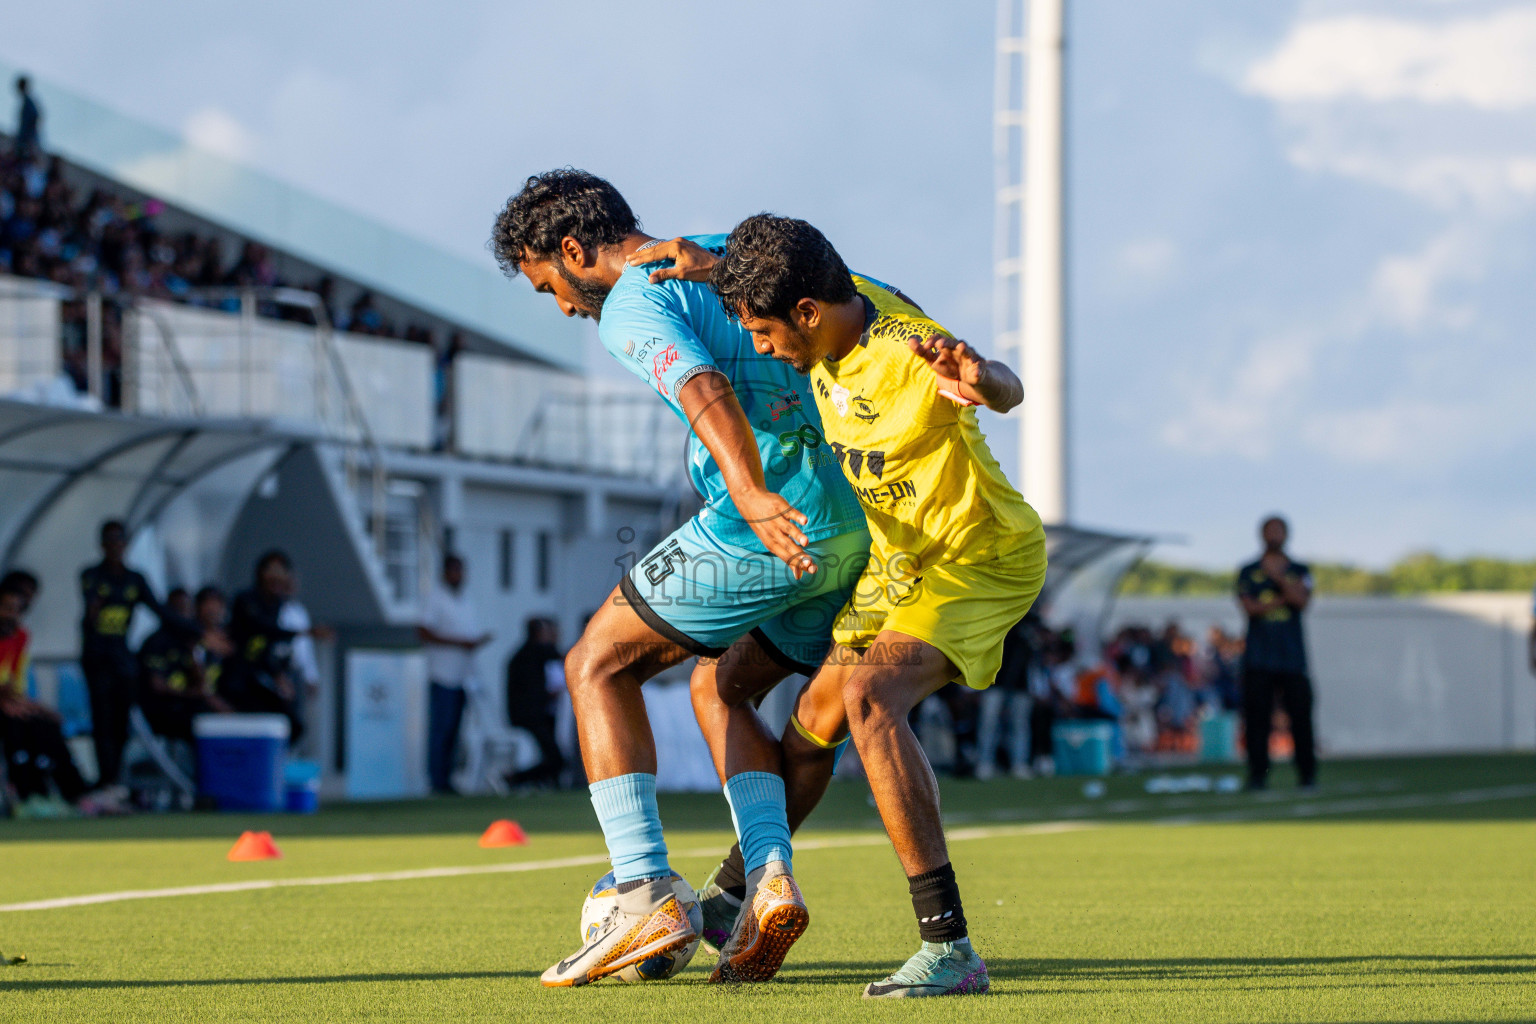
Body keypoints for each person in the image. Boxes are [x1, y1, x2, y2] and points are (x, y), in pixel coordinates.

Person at [492, 170, 871, 987]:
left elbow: (702, 384)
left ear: (570, 250)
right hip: (850, 525)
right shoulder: (727, 258)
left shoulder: (632, 299)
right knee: (721, 687)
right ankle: (761, 884)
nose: (560, 304)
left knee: (596, 663)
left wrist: (749, 492)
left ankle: (640, 895)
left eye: (549, 284)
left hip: (768, 521)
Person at [695, 214, 1046, 997]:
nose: (760, 347)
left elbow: (1008, 391)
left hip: (977, 561)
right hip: (896, 567)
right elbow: (776, 247)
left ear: (809, 315)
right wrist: (699, 257)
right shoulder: (846, 302)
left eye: (763, 331)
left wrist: (982, 377)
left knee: (868, 696)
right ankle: (729, 897)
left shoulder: (909, 353)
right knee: (812, 726)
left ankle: (949, 946)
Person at [79, 520, 168, 793]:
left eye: (120, 540)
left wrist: (197, 631)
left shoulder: (134, 579)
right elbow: (89, 616)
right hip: (97, 660)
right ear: (102, 544)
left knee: (120, 723)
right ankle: (105, 781)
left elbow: (161, 611)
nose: (115, 546)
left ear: (126, 544)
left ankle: (115, 778)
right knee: (102, 722)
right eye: (110, 540)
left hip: (122, 662)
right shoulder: (92, 575)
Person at [1236, 515, 1317, 791]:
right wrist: (1284, 598)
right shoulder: (1248, 570)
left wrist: (1278, 579)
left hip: (1292, 658)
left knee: (1301, 719)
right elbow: (1251, 608)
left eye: (1278, 530)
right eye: (1269, 530)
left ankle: (1307, 776)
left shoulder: (1299, 568)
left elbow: (1302, 600)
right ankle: (1258, 776)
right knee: (1257, 720)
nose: (1274, 535)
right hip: (1258, 658)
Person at [1, 581, 94, 814]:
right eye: (6, 608)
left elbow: (14, 689)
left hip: (8, 706)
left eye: (17, 610)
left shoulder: (20, 637)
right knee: (15, 727)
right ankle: (24, 795)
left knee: (46, 724)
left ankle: (73, 794)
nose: (11, 615)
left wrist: (37, 708)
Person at [417, 553, 490, 794]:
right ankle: (436, 781)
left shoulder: (466, 599)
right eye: (454, 571)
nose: (458, 575)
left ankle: (448, 778)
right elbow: (424, 632)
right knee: (442, 729)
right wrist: (460, 643)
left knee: (456, 731)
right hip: (442, 675)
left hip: (463, 677)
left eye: (461, 570)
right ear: (445, 573)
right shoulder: (435, 598)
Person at [224, 550, 304, 741]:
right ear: (261, 572)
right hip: (236, 674)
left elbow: (267, 647)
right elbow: (261, 630)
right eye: (272, 569)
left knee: (293, 720)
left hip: (261, 673)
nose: (276, 575)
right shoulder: (245, 599)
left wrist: (278, 675)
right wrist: (305, 632)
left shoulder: (278, 604)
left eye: (281, 570)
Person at [138, 588, 230, 740]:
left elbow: (202, 685)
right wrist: (192, 694)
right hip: (163, 708)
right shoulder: (156, 641)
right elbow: (157, 686)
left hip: (187, 705)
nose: (181, 615)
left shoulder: (191, 641)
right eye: (176, 609)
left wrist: (195, 654)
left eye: (185, 609)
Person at [504, 617, 564, 788]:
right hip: (531, 718)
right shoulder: (534, 653)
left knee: (556, 754)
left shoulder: (521, 655)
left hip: (529, 715)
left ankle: (542, 780)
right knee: (556, 758)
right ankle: (515, 778)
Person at [13, 76, 40, 157]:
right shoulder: (27, 102)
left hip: (26, 142)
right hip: (26, 141)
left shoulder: (28, 103)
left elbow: (34, 118)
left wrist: (27, 139)